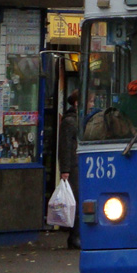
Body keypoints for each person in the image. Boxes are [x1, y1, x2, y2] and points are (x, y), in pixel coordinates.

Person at [58, 91, 81, 249]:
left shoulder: (76, 120)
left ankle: (77, 235)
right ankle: (74, 237)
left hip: (76, 165)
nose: (92, 104)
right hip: (73, 166)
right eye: (90, 101)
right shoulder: (70, 122)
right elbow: (65, 146)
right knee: (75, 201)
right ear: (77, 103)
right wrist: (65, 169)